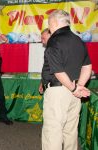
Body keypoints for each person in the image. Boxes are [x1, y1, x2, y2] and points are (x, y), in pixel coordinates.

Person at [42, 10, 92, 150]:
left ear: (55, 23)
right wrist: (79, 86)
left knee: (53, 131)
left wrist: (74, 88)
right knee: (70, 130)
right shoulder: (79, 40)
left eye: (49, 23)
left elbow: (58, 72)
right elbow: (87, 66)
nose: (49, 25)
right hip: (74, 94)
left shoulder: (54, 41)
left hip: (58, 92)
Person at [38, 28, 51, 94]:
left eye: (44, 38)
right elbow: (46, 68)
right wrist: (42, 82)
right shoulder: (48, 49)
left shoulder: (54, 50)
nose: (42, 41)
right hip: (48, 85)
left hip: (54, 86)